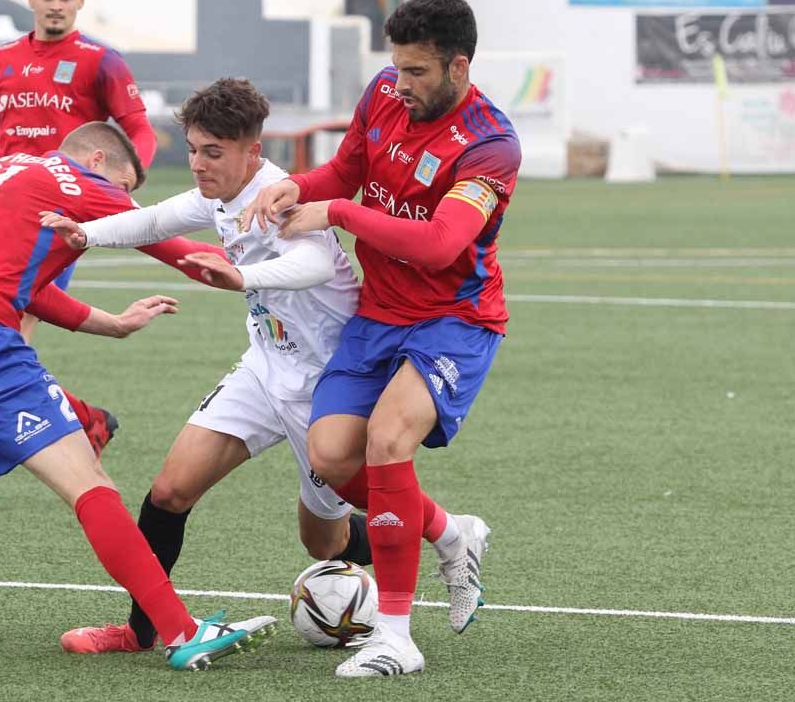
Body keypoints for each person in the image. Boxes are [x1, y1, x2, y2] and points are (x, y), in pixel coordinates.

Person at [41, 78, 485, 656]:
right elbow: (152, 220)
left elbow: (314, 264)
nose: (199, 164)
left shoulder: (282, 194)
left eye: (213, 153)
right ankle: (140, 631)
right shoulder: (215, 195)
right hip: (264, 368)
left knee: (323, 540)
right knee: (170, 490)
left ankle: (450, 531)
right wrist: (86, 233)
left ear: (253, 151)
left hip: (327, 385)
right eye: (194, 150)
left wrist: (244, 277)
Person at [0, 121, 277, 671]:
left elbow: (21, 282)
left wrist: (112, 324)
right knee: (90, 485)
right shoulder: (77, 178)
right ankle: (182, 631)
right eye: (123, 187)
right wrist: (280, 270)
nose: (121, 201)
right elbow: (167, 242)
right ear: (97, 160)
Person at [243, 0, 520, 678]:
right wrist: (297, 188)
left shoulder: (490, 144)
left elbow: (438, 244)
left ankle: (395, 635)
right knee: (332, 456)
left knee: (387, 439)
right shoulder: (386, 92)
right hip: (379, 313)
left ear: (459, 67)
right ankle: (452, 533)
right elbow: (349, 171)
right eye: (396, 68)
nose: (401, 85)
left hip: (454, 318)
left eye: (418, 72)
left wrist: (335, 210)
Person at [0, 0, 159, 507]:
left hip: (54, 223)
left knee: (2, 341)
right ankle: (85, 419)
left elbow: (137, 131)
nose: (56, 6)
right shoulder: (2, 60)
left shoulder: (101, 62)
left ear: (81, 1)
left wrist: (125, 184)